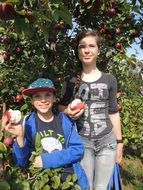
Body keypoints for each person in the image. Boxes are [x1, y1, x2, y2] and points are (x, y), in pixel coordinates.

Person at [58, 30, 123, 190]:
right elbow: (60, 107)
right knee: (84, 186)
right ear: (78, 51)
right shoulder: (70, 81)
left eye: (91, 46)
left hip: (107, 142)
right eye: (82, 47)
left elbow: (113, 112)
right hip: (82, 142)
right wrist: (67, 112)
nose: (87, 50)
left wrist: (119, 143)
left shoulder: (110, 79)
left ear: (98, 50)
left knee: (101, 187)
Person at [2, 78, 89, 190]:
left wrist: (45, 160)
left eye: (47, 95)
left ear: (54, 98)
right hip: (41, 182)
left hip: (69, 180)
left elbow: (77, 150)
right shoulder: (27, 124)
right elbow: (22, 163)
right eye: (37, 96)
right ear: (32, 101)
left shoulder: (65, 120)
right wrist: (19, 137)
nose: (43, 100)